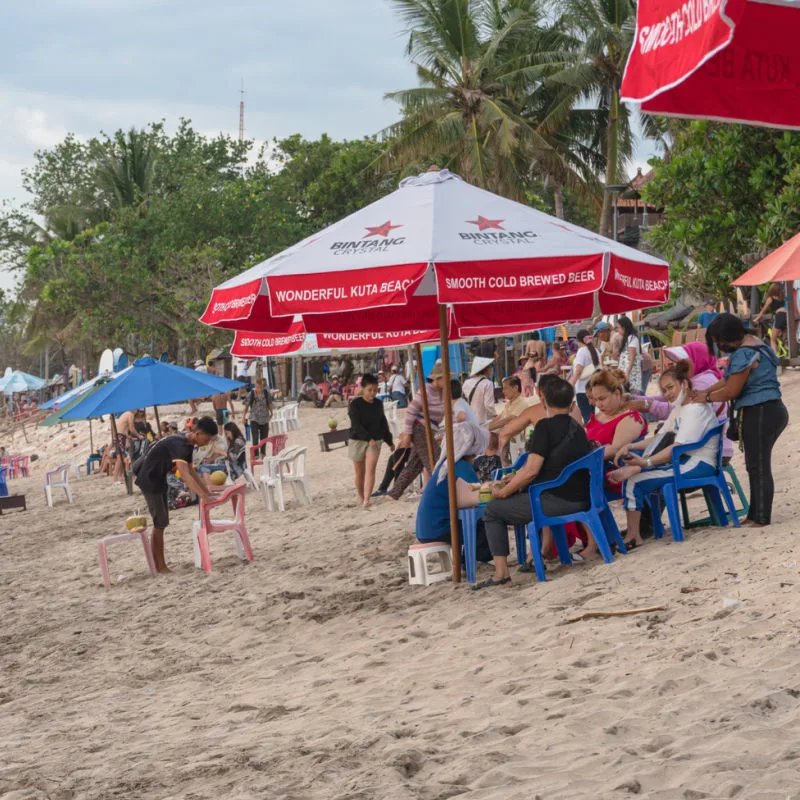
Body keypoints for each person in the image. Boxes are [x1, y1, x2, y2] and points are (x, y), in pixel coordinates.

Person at [476, 378, 591, 590]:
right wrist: (514, 478)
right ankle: (533, 554)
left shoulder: (544, 427)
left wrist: (504, 491)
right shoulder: (577, 427)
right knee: (511, 497)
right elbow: (547, 466)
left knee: (492, 510)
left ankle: (501, 574)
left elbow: (531, 471)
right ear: (572, 404)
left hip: (555, 501)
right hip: (581, 498)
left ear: (544, 402)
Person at [690, 313, 788, 527]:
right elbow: (728, 379)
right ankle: (754, 514)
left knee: (759, 466)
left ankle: (761, 517)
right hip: (772, 409)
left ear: (729, 337)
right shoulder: (756, 343)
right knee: (755, 464)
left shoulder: (743, 354)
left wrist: (705, 398)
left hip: (760, 410)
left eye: (720, 342)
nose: (721, 346)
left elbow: (731, 391)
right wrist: (705, 391)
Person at [609, 361, 720, 548]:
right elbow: (659, 438)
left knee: (634, 481)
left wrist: (645, 463)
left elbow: (675, 448)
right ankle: (636, 532)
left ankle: (633, 536)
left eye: (670, 388)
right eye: (664, 390)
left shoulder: (694, 409)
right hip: (686, 461)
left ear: (684, 384)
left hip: (698, 464)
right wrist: (630, 446)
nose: (668, 394)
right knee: (634, 479)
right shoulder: (680, 408)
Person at [133, 417, 217, 572]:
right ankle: (160, 566)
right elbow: (185, 475)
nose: (207, 443)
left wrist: (206, 492)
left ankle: (159, 565)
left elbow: (191, 471)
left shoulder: (188, 444)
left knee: (162, 523)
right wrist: (202, 495)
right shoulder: (180, 445)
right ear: (198, 433)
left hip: (159, 478)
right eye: (207, 439)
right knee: (160, 524)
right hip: (150, 480)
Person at [630, 341, 733, 462]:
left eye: (683, 361)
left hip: (708, 450)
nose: (679, 365)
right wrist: (635, 399)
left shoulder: (703, 382)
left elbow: (672, 409)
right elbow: (663, 397)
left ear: (698, 359)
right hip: (700, 441)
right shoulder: (694, 378)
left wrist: (644, 405)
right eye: (679, 361)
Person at [415, 422, 492, 563]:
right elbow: (478, 495)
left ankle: (470, 559)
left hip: (426, 530)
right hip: (440, 529)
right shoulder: (460, 466)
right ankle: (476, 560)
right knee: (490, 519)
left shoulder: (447, 465)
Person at [388, 360, 445, 500]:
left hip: (429, 429)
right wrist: (407, 433)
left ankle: (394, 493)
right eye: (445, 377)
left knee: (414, 464)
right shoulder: (426, 390)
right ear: (437, 379)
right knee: (435, 460)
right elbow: (411, 410)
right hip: (420, 428)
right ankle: (443, 488)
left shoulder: (442, 392)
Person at [347, 374, 394, 508]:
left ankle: (367, 499)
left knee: (370, 470)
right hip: (357, 440)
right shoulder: (355, 404)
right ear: (362, 389)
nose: (373, 393)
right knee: (359, 472)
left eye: (375, 390)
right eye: (370, 390)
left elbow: (382, 423)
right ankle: (361, 497)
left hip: (376, 441)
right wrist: (368, 438)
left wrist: (389, 441)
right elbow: (355, 424)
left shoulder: (378, 404)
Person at [489, 376, 533, 465]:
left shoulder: (522, 402)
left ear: (515, 388)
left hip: (514, 439)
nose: (503, 391)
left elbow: (508, 419)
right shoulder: (509, 404)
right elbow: (499, 417)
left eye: (505, 388)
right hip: (505, 438)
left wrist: (488, 427)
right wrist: (487, 425)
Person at [569, 328, 600, 423]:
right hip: (593, 387)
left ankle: (590, 436)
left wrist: (570, 384)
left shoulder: (582, 351)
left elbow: (578, 371)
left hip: (583, 390)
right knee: (592, 416)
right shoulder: (595, 350)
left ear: (578, 340)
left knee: (587, 418)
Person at [753, 282, 787, 354]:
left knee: (773, 340)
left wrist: (756, 319)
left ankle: (775, 357)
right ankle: (785, 349)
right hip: (787, 316)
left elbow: (762, 312)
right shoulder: (785, 297)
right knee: (781, 333)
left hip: (779, 316)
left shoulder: (770, 299)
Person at [462, 356, 497, 425]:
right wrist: (495, 416)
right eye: (490, 367)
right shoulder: (488, 383)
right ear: (486, 369)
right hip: (482, 422)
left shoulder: (466, 382)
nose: (491, 369)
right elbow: (488, 406)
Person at [242, 377, 272, 455]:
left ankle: (263, 453)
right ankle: (256, 454)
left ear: (262, 386)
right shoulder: (251, 394)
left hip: (265, 418)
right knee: (255, 438)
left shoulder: (266, 393)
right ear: (255, 386)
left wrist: (271, 413)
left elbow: (269, 403)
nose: (259, 389)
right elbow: (246, 406)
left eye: (260, 387)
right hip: (254, 418)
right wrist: (243, 417)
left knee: (264, 438)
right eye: (257, 387)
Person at [615, 315, 642, 393]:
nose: (618, 330)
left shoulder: (632, 338)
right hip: (625, 374)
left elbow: (632, 357)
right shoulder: (627, 338)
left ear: (624, 327)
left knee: (632, 396)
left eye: (619, 328)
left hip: (631, 374)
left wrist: (627, 373)